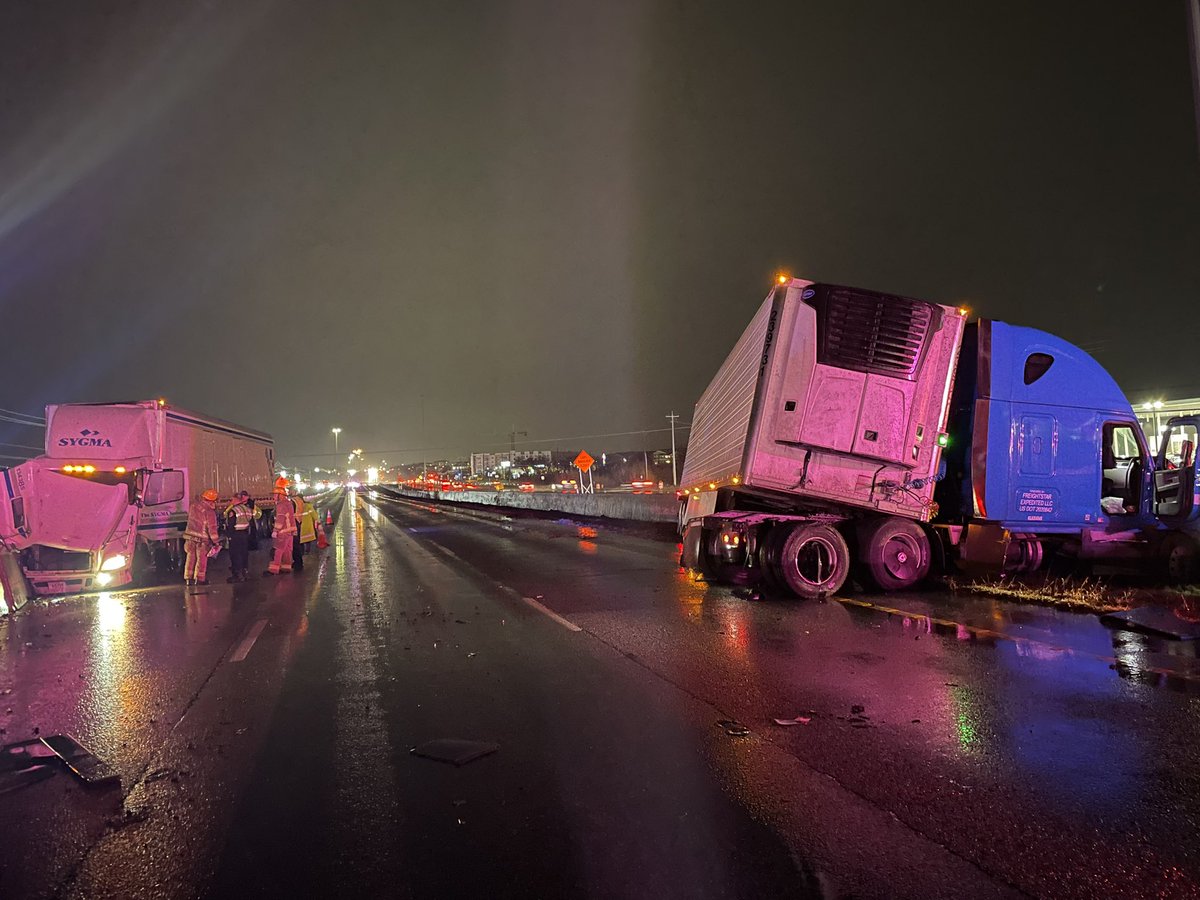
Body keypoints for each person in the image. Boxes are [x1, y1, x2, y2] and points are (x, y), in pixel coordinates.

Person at [183, 489, 221, 586]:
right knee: (201, 560)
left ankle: (188, 579)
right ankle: (199, 579)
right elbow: (212, 528)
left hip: (190, 537)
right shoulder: (209, 511)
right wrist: (216, 542)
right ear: (213, 500)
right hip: (202, 540)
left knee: (190, 558)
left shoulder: (193, 506)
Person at [224, 490, 260, 582]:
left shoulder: (233, 510)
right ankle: (244, 572)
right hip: (244, 534)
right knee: (244, 554)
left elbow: (231, 525)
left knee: (235, 555)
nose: (231, 501)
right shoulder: (247, 509)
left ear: (236, 500)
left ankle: (237, 574)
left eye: (232, 500)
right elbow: (251, 522)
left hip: (235, 535)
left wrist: (229, 536)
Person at [264, 477, 297, 575]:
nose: (274, 496)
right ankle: (286, 568)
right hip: (290, 531)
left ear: (280, 495)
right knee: (287, 550)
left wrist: (275, 530)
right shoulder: (289, 503)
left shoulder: (281, 505)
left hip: (283, 531)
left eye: (275, 495)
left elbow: (280, 519)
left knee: (278, 549)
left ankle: (273, 569)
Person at [293, 491, 318, 572]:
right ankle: (307, 551)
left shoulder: (297, 506)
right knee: (308, 540)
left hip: (300, 525)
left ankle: (302, 552)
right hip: (308, 525)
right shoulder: (308, 505)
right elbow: (314, 514)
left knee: (300, 541)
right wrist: (317, 520)